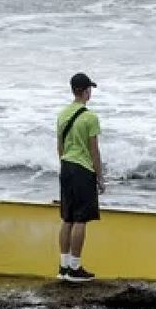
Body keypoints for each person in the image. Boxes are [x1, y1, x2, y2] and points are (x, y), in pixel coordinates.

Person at [55, 71, 104, 281]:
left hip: (66, 166)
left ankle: (64, 266)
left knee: (67, 218)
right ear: (85, 91)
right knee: (80, 219)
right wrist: (100, 177)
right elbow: (94, 151)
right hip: (82, 170)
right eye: (89, 89)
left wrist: (65, 165)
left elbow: (60, 146)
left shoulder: (62, 114)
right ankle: (75, 268)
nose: (90, 92)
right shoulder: (90, 117)